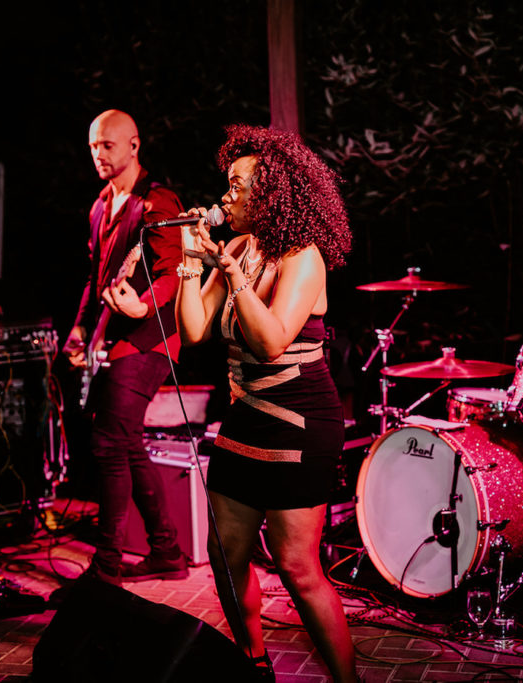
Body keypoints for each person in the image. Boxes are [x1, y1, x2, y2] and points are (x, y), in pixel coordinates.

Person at [175, 125, 357, 683]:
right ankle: (255, 666)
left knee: (299, 568)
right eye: (226, 183)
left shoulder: (303, 258)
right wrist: (189, 264)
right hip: (245, 416)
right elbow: (194, 332)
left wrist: (230, 274)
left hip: (300, 421)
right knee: (225, 555)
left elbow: (271, 339)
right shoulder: (236, 247)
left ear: (273, 194)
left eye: (237, 185)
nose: (225, 195)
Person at [61, 109, 189, 585]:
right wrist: (79, 329)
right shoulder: (100, 206)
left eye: (107, 146)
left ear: (134, 146)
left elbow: (172, 273)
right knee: (126, 443)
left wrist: (142, 307)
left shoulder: (156, 202)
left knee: (109, 442)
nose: (98, 154)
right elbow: (94, 279)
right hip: (111, 339)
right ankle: (168, 553)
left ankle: (106, 567)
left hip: (152, 337)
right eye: (93, 146)